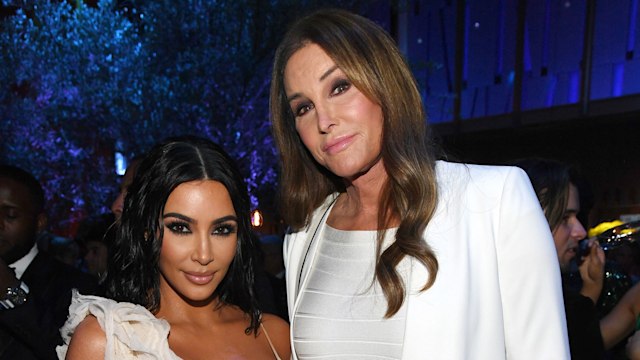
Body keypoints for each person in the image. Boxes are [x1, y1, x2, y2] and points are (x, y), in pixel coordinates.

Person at [269, 8, 569, 359]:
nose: (324, 120)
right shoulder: (304, 236)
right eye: (303, 108)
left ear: (384, 84)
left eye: (339, 87)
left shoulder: (495, 199)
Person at [56, 136, 290, 359]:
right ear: (147, 231)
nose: (204, 255)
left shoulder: (275, 335)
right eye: (180, 228)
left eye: (221, 230)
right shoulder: (107, 341)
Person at [516, 157, 640, 359]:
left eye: (577, 217)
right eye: (565, 218)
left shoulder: (548, 295)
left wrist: (591, 289)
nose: (581, 231)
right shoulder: (503, 307)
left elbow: (575, 344)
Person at [0, 164, 98, 360]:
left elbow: (64, 350)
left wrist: (12, 292)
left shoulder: (77, 288)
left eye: (10, 215)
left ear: (39, 223)